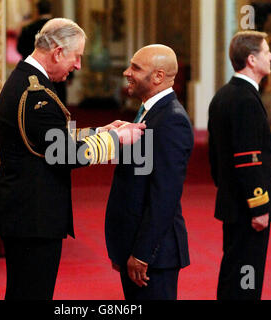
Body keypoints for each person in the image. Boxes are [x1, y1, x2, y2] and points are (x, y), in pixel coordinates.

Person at [0, 18, 146, 300]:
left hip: (25, 213)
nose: (78, 66)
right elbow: (64, 154)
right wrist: (116, 140)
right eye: (76, 57)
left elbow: (51, 138)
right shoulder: (35, 94)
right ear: (58, 52)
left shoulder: (30, 82)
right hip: (33, 217)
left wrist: (100, 130)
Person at [105, 45, 194, 300]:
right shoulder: (149, 111)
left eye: (135, 68)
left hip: (154, 256)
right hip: (135, 247)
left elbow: (164, 194)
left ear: (157, 76)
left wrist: (142, 253)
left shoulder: (171, 120)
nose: (126, 72)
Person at [208, 31, 271, 300]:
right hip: (249, 209)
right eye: (266, 51)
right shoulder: (246, 100)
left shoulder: (224, 95)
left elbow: (216, 157)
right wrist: (259, 206)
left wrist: (226, 188)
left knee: (234, 272)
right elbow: (249, 159)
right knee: (246, 279)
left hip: (233, 201)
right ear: (251, 59)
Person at [17, 0, 69, 105]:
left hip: (32, 76)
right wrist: (70, 74)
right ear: (50, 9)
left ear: (37, 11)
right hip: (56, 75)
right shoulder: (59, 30)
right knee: (59, 106)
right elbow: (66, 52)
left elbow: (20, 48)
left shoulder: (28, 29)